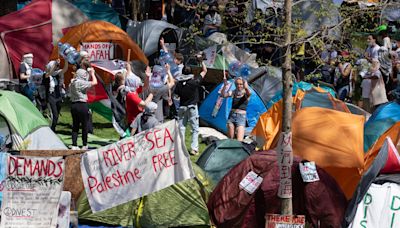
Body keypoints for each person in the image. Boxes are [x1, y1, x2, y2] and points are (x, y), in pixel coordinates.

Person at [174, 58, 207, 155]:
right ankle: (194, 148)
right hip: (192, 106)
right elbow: (204, 71)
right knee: (195, 128)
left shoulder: (179, 84)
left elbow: (176, 96)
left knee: (181, 127)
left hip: (182, 106)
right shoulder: (194, 82)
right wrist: (202, 61)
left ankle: (180, 147)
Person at [69, 60, 97, 150]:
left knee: (75, 125)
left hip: (73, 105)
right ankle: (84, 144)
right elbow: (94, 82)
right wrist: (92, 74)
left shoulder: (72, 83)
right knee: (85, 125)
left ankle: (74, 144)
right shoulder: (81, 83)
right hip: (82, 105)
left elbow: (82, 79)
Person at [221, 76, 251, 141]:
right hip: (232, 116)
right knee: (230, 139)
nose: (239, 86)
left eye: (240, 84)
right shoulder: (234, 92)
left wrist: (246, 86)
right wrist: (225, 86)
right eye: (237, 84)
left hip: (241, 118)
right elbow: (223, 95)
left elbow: (249, 92)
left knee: (239, 141)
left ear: (243, 84)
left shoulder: (246, 93)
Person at [44, 59, 69, 131]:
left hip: (58, 96)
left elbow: (65, 69)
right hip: (51, 96)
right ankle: (52, 129)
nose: (57, 67)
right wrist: (55, 64)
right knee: (54, 113)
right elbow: (50, 72)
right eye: (55, 66)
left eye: (57, 66)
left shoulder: (57, 74)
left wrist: (66, 60)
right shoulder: (46, 75)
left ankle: (53, 127)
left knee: (57, 113)